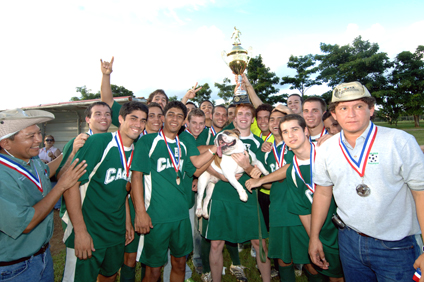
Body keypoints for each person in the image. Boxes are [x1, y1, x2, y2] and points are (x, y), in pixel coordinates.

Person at [309, 81, 424, 282]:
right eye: (343, 108)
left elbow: (421, 193)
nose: (351, 114)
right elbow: (323, 192)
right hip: (349, 240)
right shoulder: (326, 149)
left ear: (371, 109)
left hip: (397, 244)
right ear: (334, 114)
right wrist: (314, 236)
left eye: (359, 106)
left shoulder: (399, 141)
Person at [62, 101, 148, 282]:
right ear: (120, 119)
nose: (138, 124)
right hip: (90, 231)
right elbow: (70, 186)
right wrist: (80, 232)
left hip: (116, 232)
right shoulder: (98, 142)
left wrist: (126, 223)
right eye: (133, 118)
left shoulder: (135, 150)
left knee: (109, 276)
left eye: (142, 120)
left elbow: (122, 191)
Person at [0, 108, 86, 282]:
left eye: (39, 133)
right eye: (30, 136)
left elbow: (46, 171)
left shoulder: (31, 160)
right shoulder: (3, 176)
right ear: (6, 143)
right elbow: (27, 223)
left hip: (42, 256)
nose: (39, 140)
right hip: (15, 268)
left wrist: (72, 152)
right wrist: (61, 186)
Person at [131, 101, 213, 282]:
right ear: (163, 118)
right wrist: (140, 212)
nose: (175, 119)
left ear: (184, 121)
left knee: (180, 264)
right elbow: (136, 177)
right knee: (153, 271)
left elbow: (196, 170)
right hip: (156, 217)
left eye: (179, 116)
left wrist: (216, 150)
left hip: (181, 216)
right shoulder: (148, 141)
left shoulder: (183, 144)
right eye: (171, 114)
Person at [206, 103, 271, 282]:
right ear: (234, 118)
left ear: (253, 119)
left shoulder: (259, 143)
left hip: (248, 197)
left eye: (247, 115)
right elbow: (206, 162)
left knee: (259, 242)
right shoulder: (220, 137)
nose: (243, 117)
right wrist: (221, 175)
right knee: (216, 243)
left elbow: (259, 174)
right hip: (222, 195)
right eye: (239, 114)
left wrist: (247, 166)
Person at [280, 114, 343, 281]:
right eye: (285, 132)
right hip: (322, 233)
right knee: (333, 275)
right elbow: (303, 211)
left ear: (306, 131)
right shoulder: (292, 171)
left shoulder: (327, 153)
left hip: (344, 228)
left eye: (295, 129)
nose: (291, 135)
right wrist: (314, 239)